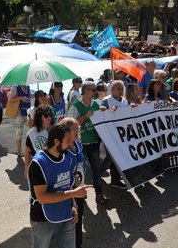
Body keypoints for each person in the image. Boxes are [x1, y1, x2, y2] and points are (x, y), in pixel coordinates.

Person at [28, 123, 92, 248]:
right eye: (68, 140)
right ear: (56, 141)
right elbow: (42, 198)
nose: (71, 143)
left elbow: (67, 184)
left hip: (67, 217)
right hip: (43, 221)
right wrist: (74, 193)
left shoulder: (64, 157)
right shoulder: (38, 163)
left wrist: (73, 205)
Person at [67, 81, 110, 203]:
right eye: (93, 90)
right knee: (78, 170)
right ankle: (76, 195)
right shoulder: (75, 105)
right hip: (80, 144)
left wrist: (103, 111)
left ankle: (99, 194)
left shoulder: (95, 104)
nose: (96, 92)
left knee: (96, 169)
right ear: (86, 91)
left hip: (94, 142)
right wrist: (85, 116)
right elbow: (71, 125)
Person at [61, 117, 86, 248]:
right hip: (71, 192)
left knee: (79, 217)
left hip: (80, 188)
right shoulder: (64, 151)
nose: (76, 132)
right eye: (73, 129)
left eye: (77, 129)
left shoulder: (78, 145)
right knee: (72, 219)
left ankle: (77, 244)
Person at [99, 80, 128, 189]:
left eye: (122, 88)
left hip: (121, 133)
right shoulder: (107, 101)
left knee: (118, 156)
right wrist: (107, 110)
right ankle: (99, 172)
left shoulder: (124, 101)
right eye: (118, 89)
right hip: (110, 134)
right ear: (112, 90)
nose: (121, 91)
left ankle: (115, 179)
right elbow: (100, 116)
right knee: (112, 157)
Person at [24, 104, 53, 178]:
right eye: (46, 115)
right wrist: (27, 168)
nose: (49, 117)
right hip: (39, 165)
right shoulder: (32, 133)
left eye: (50, 114)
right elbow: (27, 151)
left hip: (54, 165)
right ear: (39, 117)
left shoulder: (56, 129)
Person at [8, 85, 33, 157]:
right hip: (19, 113)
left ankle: (29, 149)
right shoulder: (15, 88)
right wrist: (20, 98)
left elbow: (31, 96)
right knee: (19, 131)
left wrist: (38, 94)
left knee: (29, 131)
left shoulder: (28, 87)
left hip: (27, 112)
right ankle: (19, 150)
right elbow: (10, 99)